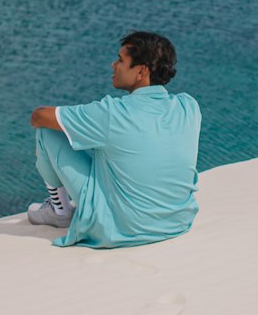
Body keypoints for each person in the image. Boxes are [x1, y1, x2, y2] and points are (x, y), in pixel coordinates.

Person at [28, 31, 201, 249]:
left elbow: (38, 116)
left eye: (120, 60)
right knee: (112, 147)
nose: (113, 65)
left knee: (48, 131)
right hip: (177, 222)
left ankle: (59, 210)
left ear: (141, 72)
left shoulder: (112, 113)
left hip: (122, 230)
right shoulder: (189, 107)